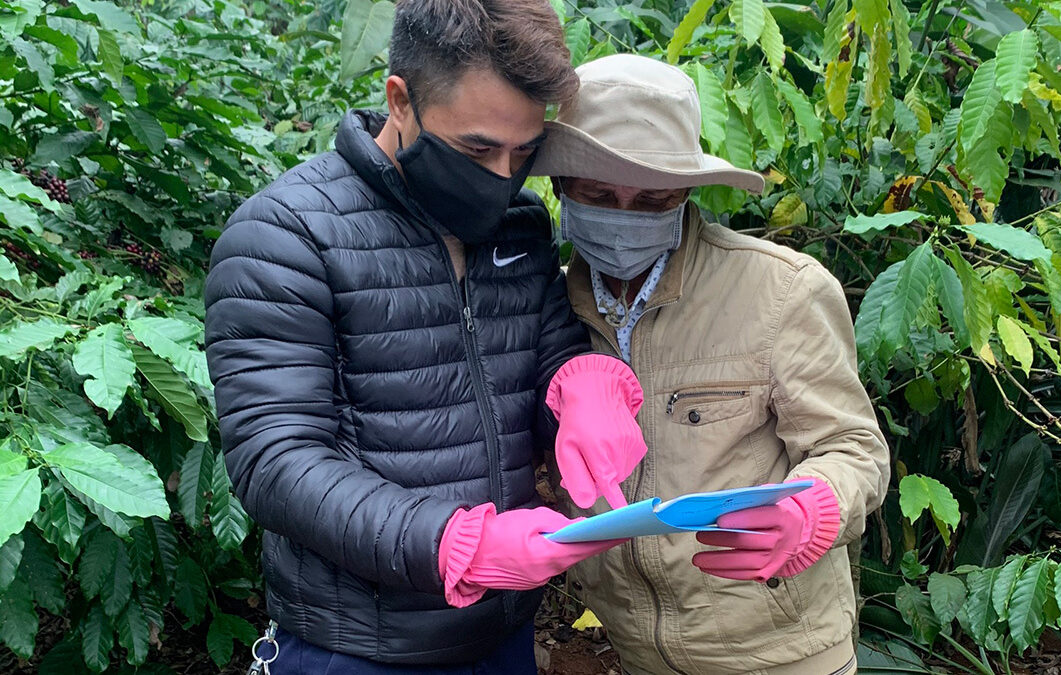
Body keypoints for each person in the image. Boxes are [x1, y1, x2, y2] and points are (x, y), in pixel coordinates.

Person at [203, 3, 646, 672]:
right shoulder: (286, 234)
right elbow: (275, 460)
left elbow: (550, 348)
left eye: (523, 151)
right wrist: (455, 544)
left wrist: (581, 390)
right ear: (399, 100)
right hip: (359, 644)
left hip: (501, 626)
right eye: (475, 148)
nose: (502, 176)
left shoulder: (520, 225)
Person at [531, 54, 890, 675]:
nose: (624, 216)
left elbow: (855, 449)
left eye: (652, 198)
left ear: (686, 194)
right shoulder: (548, 309)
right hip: (638, 650)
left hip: (781, 651)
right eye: (598, 195)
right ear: (561, 187)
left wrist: (814, 510)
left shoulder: (780, 292)